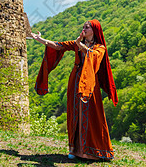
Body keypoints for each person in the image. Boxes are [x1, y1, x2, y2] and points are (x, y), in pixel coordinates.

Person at [31, 19, 118, 160]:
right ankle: (75, 149)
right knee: (75, 112)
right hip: (75, 79)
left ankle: (93, 150)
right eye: (83, 27)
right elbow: (58, 46)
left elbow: (94, 56)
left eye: (87, 27)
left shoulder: (100, 47)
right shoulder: (78, 43)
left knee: (91, 114)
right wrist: (40, 39)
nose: (84, 29)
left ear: (94, 30)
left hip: (90, 83)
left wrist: (80, 45)